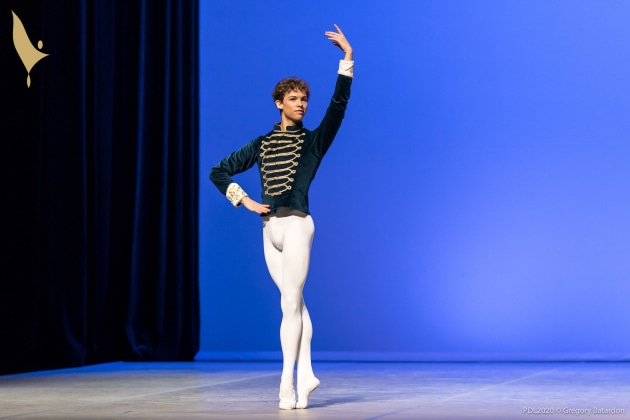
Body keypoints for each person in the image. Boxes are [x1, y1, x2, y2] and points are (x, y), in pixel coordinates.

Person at [209, 24, 353, 410]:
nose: (302, 104)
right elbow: (219, 171)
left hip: (297, 226)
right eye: (294, 98)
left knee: (290, 303)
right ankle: (306, 373)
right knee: (294, 303)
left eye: (305, 99)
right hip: (268, 229)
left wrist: (347, 61)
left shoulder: (312, 142)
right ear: (279, 103)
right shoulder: (262, 143)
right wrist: (245, 202)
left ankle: (287, 382)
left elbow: (337, 109)